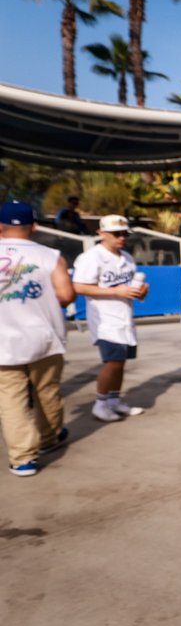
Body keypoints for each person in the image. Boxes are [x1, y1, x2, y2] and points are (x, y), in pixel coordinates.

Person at [0, 201, 76, 476]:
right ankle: (49, 437)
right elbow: (67, 295)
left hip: (2, 342)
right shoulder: (50, 256)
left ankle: (22, 458)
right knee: (46, 391)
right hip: (44, 337)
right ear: (34, 226)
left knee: (11, 399)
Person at [73, 214, 148, 423]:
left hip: (124, 318)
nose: (121, 237)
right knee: (113, 362)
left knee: (121, 362)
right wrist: (116, 292)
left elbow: (130, 287)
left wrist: (141, 291)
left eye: (124, 233)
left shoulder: (126, 258)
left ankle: (114, 401)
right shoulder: (92, 257)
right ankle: (100, 403)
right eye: (116, 234)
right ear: (101, 233)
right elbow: (79, 286)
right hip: (105, 320)